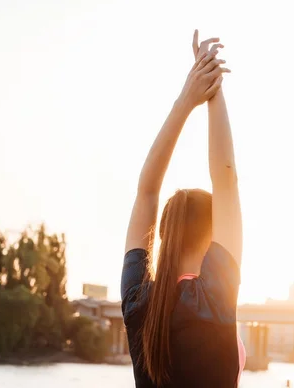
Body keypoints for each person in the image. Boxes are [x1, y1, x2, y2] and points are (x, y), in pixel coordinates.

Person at [120, 30, 244, 388]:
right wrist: (213, 88)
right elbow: (227, 181)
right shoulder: (215, 296)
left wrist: (188, 98)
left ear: (163, 233)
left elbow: (146, 191)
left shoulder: (137, 301)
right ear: (213, 236)